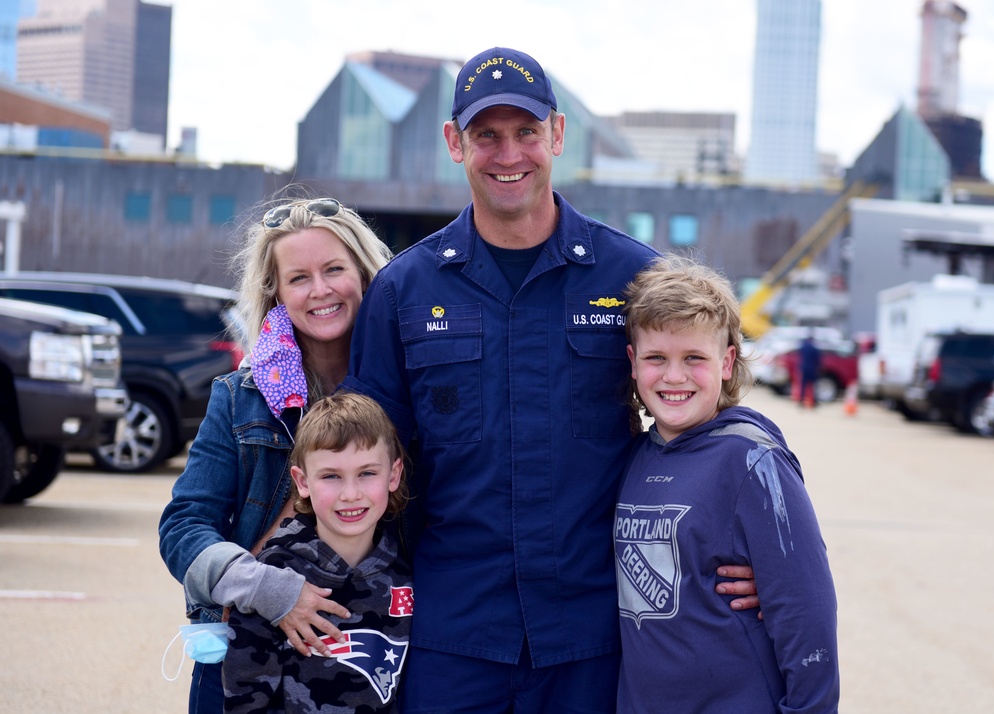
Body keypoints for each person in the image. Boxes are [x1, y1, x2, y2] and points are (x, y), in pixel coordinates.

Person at [344, 46, 759, 712]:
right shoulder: (404, 291)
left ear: (557, 135)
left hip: (596, 635)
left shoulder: (632, 279)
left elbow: (712, 416)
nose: (509, 154)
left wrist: (749, 548)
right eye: (487, 136)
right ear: (455, 143)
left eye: (526, 133)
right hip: (453, 639)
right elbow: (362, 459)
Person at [158, 196, 394, 713]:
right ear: (278, 294)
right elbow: (183, 527)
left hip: (377, 660)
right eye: (299, 278)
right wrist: (267, 587)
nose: (321, 290)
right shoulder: (239, 397)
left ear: (366, 275)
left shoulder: (405, 394)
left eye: (334, 269)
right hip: (250, 655)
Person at [615, 255, 839, 712]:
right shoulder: (634, 457)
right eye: (657, 358)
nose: (674, 376)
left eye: (694, 358)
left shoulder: (753, 462)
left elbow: (805, 612)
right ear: (633, 363)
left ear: (726, 361)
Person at [222, 391, 413, 713]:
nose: (351, 494)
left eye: (367, 473)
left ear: (393, 475)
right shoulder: (274, 576)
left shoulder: (405, 573)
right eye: (331, 476)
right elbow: (245, 698)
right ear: (302, 481)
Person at [798, 331, 822, 407]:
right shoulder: (814, 348)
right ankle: (814, 401)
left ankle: (801, 400)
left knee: (803, 385)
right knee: (813, 385)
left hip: (804, 368)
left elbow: (800, 356)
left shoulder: (804, 346)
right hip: (812, 368)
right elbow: (818, 360)